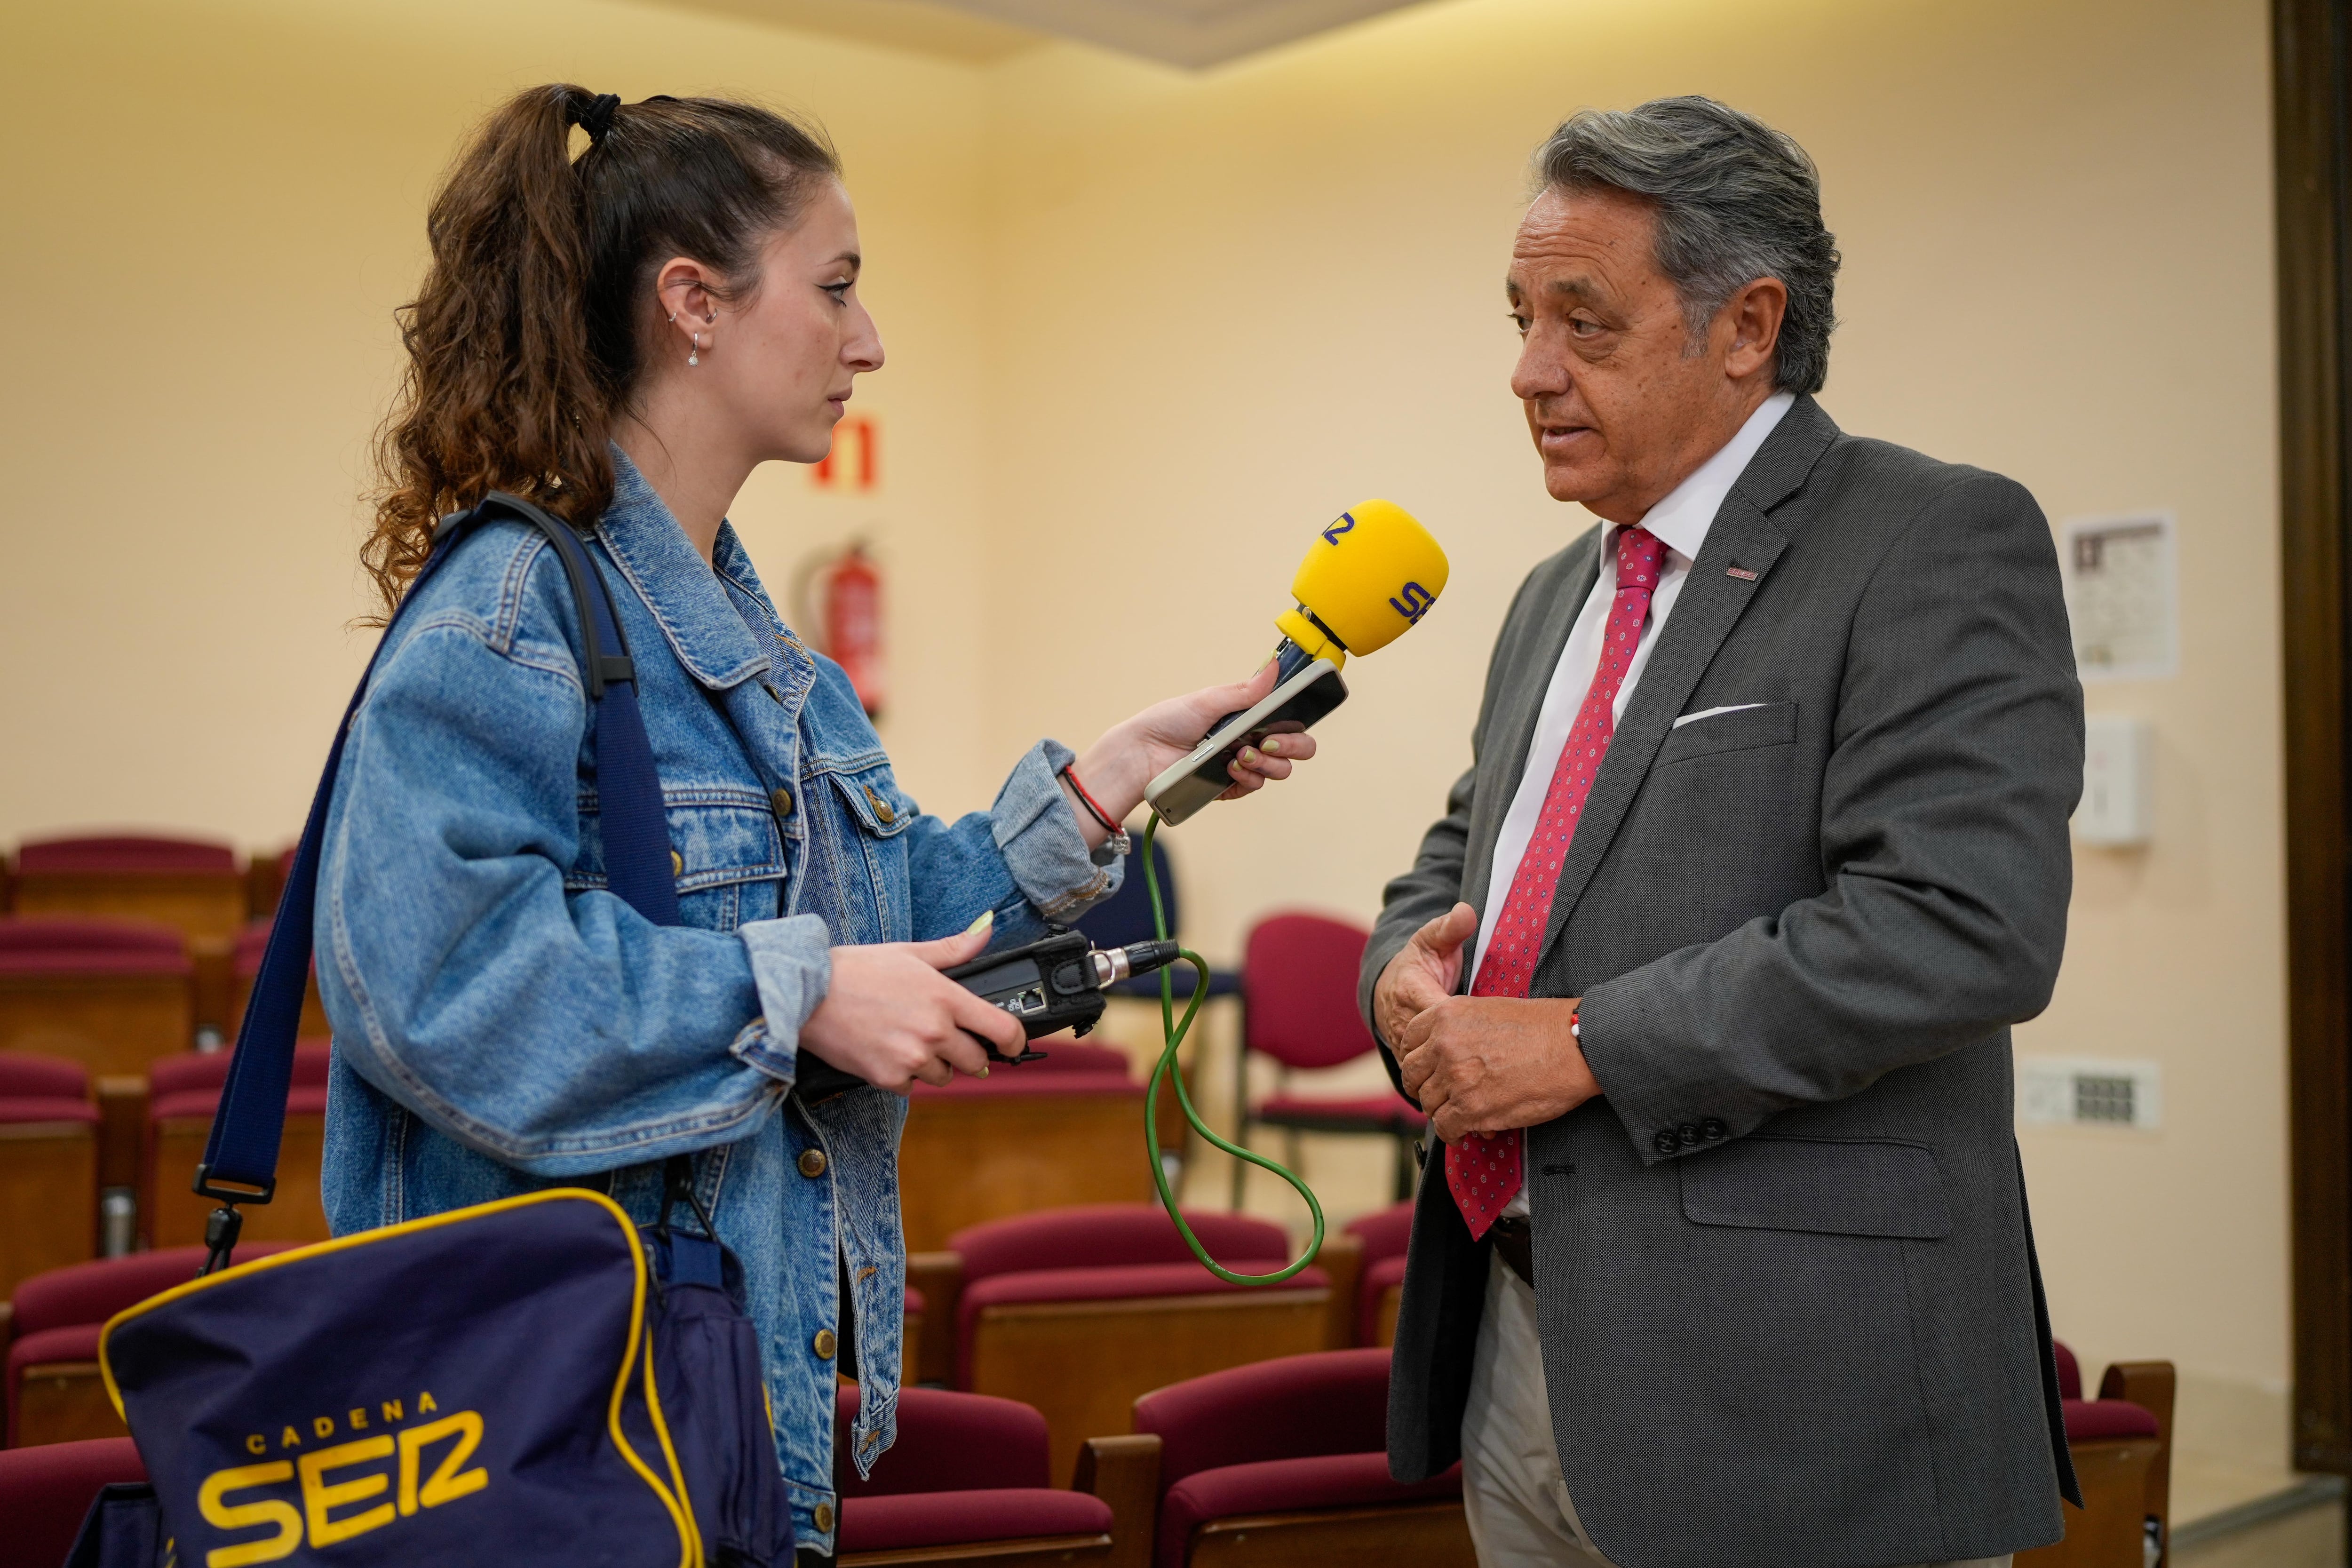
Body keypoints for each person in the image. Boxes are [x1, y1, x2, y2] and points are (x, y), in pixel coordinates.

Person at [317, 85, 1311, 1557]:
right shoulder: (511, 611)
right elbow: (444, 985)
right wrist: (796, 997)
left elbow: (885, 923)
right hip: (546, 1445)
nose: (871, 339)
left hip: (715, 1411)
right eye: (837, 288)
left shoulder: (746, 633)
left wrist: (1100, 790)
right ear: (693, 305)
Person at [1360, 97, 2084, 1568]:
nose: (1528, 371)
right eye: (1518, 317)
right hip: (1523, 1337)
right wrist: (1404, 979)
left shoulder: (1929, 539)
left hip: (1800, 1387)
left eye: (1585, 322)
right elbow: (1461, 862)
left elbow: (1959, 924)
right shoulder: (1553, 596)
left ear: (1748, 324)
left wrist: (1578, 1042)